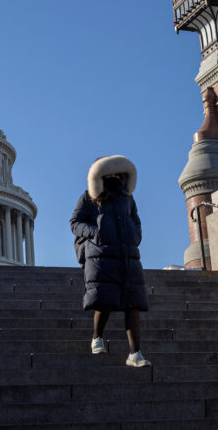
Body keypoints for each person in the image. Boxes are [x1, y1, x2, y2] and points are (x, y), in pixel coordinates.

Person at [70, 155, 150, 367]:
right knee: (104, 300)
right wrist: (96, 234)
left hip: (127, 256)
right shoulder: (88, 197)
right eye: (110, 172)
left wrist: (135, 236)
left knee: (132, 304)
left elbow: (135, 220)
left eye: (117, 172)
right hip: (101, 256)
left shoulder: (127, 198)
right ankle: (97, 336)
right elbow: (75, 222)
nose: (114, 176)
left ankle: (135, 354)